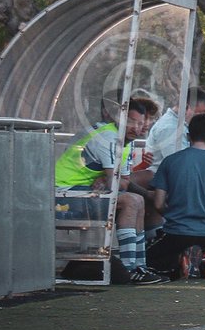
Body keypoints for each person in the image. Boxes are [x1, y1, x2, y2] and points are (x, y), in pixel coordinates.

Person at [54, 97, 165, 285]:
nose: (137, 128)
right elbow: (116, 182)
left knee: (136, 199)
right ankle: (129, 268)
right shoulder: (109, 138)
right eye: (131, 121)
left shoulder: (124, 141)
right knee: (131, 201)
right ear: (118, 118)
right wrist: (109, 179)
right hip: (62, 196)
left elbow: (123, 180)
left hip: (79, 191)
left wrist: (110, 179)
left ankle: (139, 266)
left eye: (140, 122)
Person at [147, 113, 205, 279]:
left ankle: (181, 259)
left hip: (177, 232)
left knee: (150, 257)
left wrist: (176, 211)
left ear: (188, 136)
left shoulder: (170, 162)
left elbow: (158, 203)